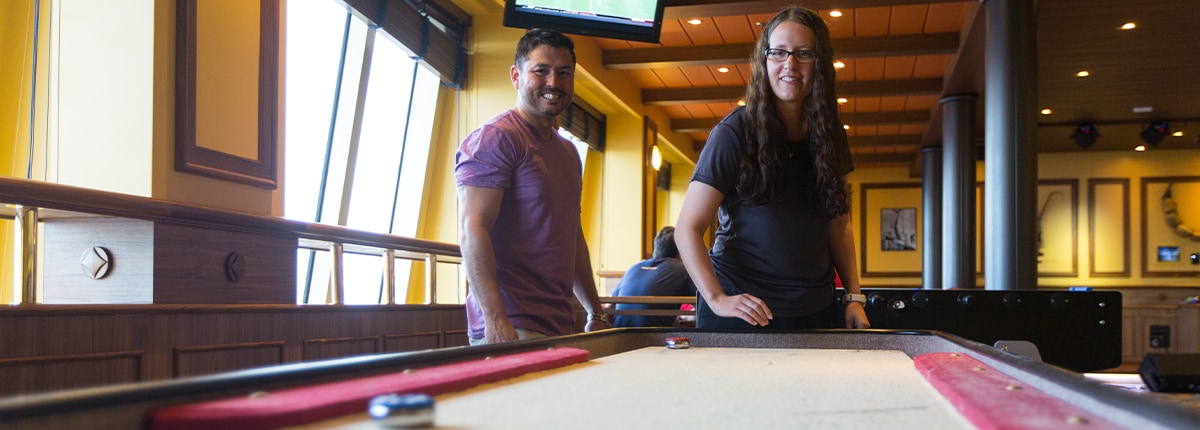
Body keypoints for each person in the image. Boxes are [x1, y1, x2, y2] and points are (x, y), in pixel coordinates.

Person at [673, 6, 870, 330]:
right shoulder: (734, 132)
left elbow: (839, 225)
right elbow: (687, 229)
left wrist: (854, 297)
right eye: (778, 52)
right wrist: (717, 299)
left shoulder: (831, 133)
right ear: (764, 60)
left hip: (815, 312)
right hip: (742, 313)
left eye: (803, 53)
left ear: (820, 63)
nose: (790, 64)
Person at [455, 29, 609, 345]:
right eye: (541, 71)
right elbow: (472, 228)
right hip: (512, 326)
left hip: (560, 323)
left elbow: (571, 235)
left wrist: (595, 311)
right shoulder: (495, 138)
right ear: (516, 76)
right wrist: (494, 320)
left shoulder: (569, 152)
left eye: (564, 73)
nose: (554, 82)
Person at [609, 226, 698, 327]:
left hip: (618, 333)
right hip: (654, 334)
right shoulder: (683, 269)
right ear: (680, 252)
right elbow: (702, 308)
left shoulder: (633, 268)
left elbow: (609, 307)